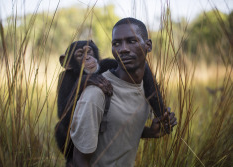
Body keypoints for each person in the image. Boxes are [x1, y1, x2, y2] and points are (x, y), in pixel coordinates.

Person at [69, 17, 177, 167]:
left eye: (132, 41)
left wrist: (152, 132)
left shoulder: (147, 87)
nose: (123, 49)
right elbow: (80, 160)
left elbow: (116, 128)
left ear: (148, 46)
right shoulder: (96, 94)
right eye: (116, 44)